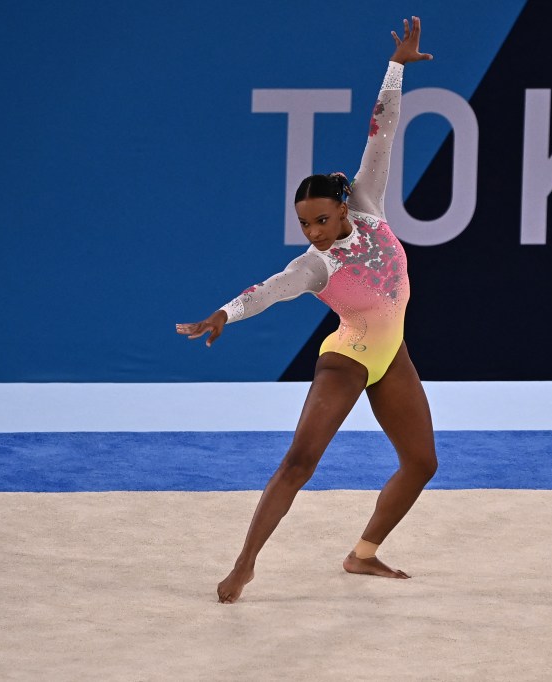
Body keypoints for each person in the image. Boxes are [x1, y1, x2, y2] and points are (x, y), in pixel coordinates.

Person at [176, 17, 435, 604]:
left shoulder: (367, 204)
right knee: (300, 462)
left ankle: (362, 554)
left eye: (321, 220)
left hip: (391, 355)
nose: (314, 233)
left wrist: (396, 67)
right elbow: (269, 288)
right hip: (346, 359)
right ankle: (243, 566)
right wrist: (225, 313)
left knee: (421, 462)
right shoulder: (316, 266)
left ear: (343, 208)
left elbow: (383, 132)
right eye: (304, 224)